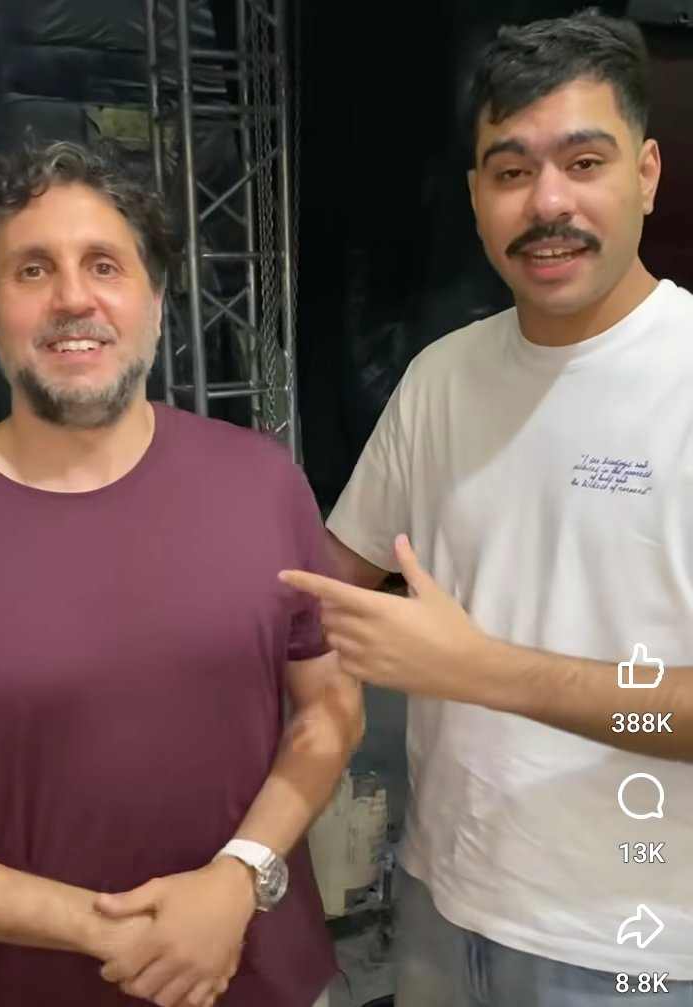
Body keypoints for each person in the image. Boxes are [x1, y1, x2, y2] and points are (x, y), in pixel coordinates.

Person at [280, 9, 693, 1006]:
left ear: (646, 173)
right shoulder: (444, 376)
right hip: (441, 904)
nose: (547, 202)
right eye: (511, 171)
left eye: (583, 162)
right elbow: (324, 580)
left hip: (634, 942)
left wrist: (484, 670)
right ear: (475, 197)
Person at [0, 140, 363, 1007]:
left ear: (154, 301)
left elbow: (330, 704)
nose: (73, 297)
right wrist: (113, 931)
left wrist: (237, 877)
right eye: (32, 269)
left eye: (104, 264)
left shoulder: (262, 482)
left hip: (269, 984)